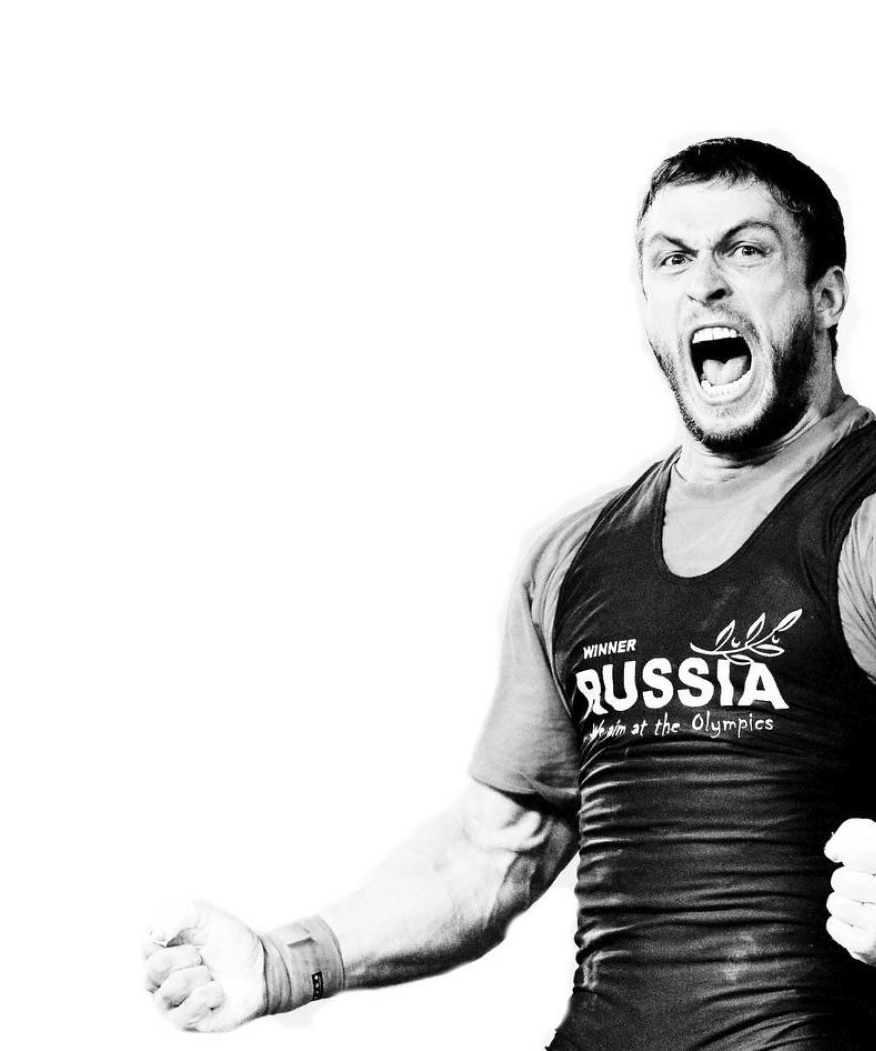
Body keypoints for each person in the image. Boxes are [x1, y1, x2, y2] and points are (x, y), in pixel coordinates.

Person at [142, 138, 876, 1049]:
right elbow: (496, 848)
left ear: (827, 295)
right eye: (672, 259)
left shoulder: (860, 517)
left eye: (747, 250)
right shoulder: (575, 553)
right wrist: (288, 961)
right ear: (646, 302)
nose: (705, 285)